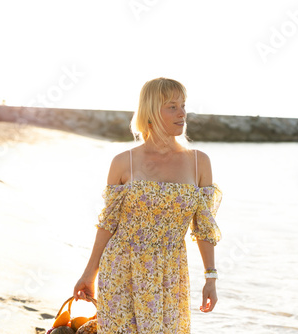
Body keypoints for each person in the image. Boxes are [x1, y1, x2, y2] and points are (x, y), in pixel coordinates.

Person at [73, 77, 222, 333]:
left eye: (183, 105)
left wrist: (210, 278)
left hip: (170, 273)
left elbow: (204, 228)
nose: (182, 113)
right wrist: (90, 273)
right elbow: (108, 223)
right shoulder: (124, 162)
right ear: (151, 112)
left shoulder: (199, 163)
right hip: (122, 267)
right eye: (172, 106)